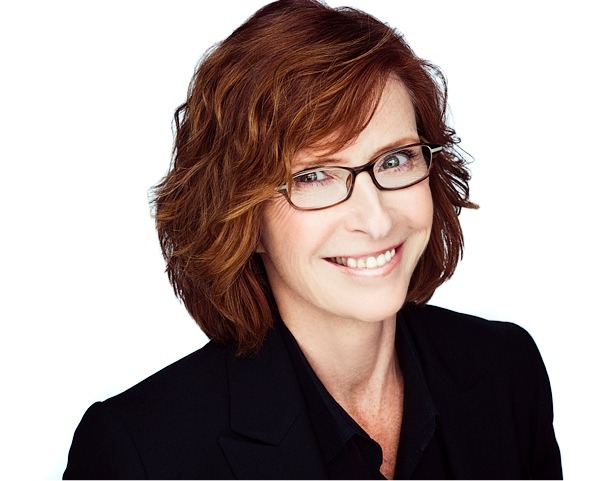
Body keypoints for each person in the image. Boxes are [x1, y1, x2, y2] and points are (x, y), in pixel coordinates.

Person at [63, 0, 562, 479]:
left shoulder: (506, 371)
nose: (375, 219)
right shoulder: (140, 453)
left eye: (395, 160)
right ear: (243, 214)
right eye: (315, 176)